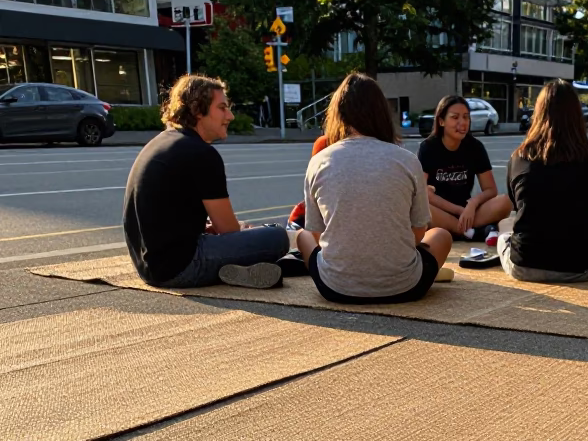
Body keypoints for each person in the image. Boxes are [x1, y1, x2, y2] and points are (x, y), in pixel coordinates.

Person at [295, 73, 452, 303]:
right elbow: (419, 231)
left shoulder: (319, 161)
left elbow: (318, 235)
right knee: (441, 236)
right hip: (404, 286)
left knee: (301, 236)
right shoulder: (407, 160)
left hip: (335, 287)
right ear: (382, 113)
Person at [123, 75, 290, 289]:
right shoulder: (202, 154)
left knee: (244, 239)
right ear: (197, 110)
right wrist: (242, 230)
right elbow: (228, 229)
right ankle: (227, 268)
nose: (230, 116)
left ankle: (231, 272)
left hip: (148, 269)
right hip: (182, 268)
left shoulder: (160, 142)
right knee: (277, 236)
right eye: (222, 108)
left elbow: (168, 217)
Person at [499, 79, 588, 283]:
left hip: (524, 265)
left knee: (503, 238)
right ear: (577, 115)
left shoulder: (518, 157)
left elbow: (520, 209)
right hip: (578, 267)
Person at [417, 95, 511, 240]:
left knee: (505, 202)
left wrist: (472, 204)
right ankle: (473, 232)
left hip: (469, 212)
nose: (462, 122)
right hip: (440, 211)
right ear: (441, 121)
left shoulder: (475, 147)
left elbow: (491, 189)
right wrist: (459, 210)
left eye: (466, 117)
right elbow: (423, 193)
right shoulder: (428, 148)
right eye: (455, 117)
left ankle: (464, 230)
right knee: (421, 209)